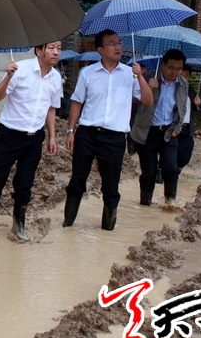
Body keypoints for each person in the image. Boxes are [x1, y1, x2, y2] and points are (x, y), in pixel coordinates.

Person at [0, 41, 63, 242]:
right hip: (10, 135)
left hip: (34, 138)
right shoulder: (20, 70)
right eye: (51, 48)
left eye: (59, 48)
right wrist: (8, 76)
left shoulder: (55, 78)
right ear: (39, 50)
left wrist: (52, 136)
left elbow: (51, 108)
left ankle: (18, 225)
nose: (56, 52)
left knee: (25, 183)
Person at [62, 30, 153, 231]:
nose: (118, 47)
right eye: (112, 43)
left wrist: (140, 77)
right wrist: (70, 130)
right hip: (87, 134)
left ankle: (108, 229)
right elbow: (77, 102)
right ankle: (67, 224)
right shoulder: (87, 73)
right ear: (101, 50)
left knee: (111, 185)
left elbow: (148, 100)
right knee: (77, 180)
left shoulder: (130, 74)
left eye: (119, 43)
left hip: (115, 138)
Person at [130, 49, 188, 206]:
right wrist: (147, 88)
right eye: (171, 68)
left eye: (179, 69)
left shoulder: (182, 83)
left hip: (168, 131)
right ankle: (145, 204)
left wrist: (177, 127)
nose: (174, 72)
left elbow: (182, 107)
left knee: (171, 167)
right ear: (163, 65)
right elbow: (131, 100)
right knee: (149, 172)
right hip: (147, 131)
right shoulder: (149, 77)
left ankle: (170, 202)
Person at [177, 64, 201, 169]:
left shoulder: (191, 91)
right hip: (174, 126)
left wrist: (198, 104)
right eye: (181, 76)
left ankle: (178, 169)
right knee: (172, 151)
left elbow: (197, 108)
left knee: (187, 148)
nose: (184, 78)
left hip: (187, 127)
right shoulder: (173, 89)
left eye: (186, 76)